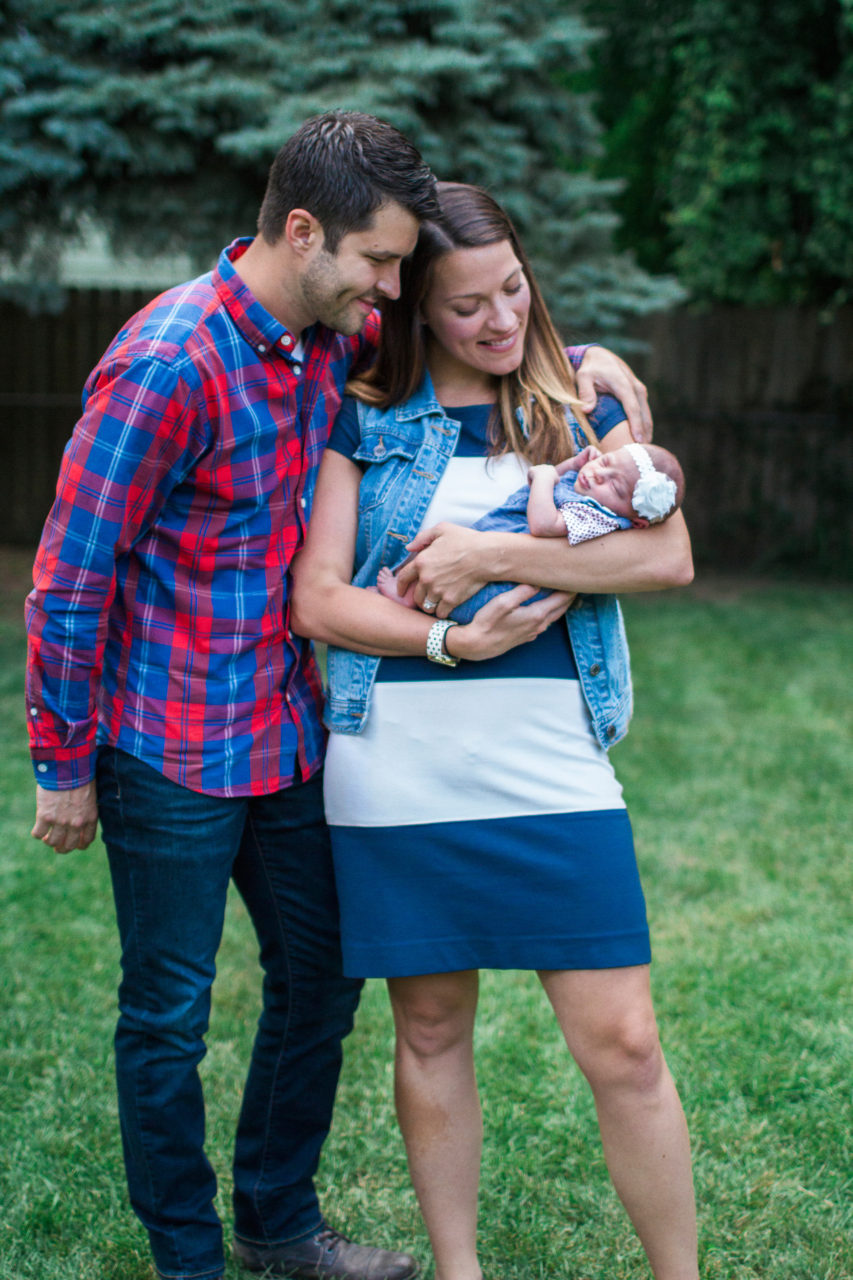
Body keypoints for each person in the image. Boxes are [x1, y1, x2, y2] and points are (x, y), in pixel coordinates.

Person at [24, 111, 652, 1280]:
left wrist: (608, 366)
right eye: (376, 259)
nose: (392, 284)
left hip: (284, 728)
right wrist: (63, 761)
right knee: (167, 1011)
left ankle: (275, 1220)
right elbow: (70, 575)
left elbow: (491, 326)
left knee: (323, 976)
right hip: (167, 742)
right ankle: (188, 1256)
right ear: (303, 232)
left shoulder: (328, 334)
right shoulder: (167, 361)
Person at [290, 181, 698, 1280]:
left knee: (624, 1041)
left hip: (550, 760)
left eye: (513, 288)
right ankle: (460, 1271)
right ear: (418, 310)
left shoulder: (580, 403)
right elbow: (319, 599)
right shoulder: (366, 415)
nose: (501, 319)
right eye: (467, 305)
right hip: (400, 767)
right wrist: (443, 642)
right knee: (429, 1028)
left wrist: (491, 554)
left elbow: (664, 556)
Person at [375, 440, 685, 621]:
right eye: (604, 462)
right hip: (499, 535)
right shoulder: (590, 491)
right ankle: (409, 591)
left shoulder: (599, 517)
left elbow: (544, 525)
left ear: (636, 520)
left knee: (464, 590)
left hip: (504, 586)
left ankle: (410, 602)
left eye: (614, 484)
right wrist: (570, 464)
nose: (597, 474)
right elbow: (559, 478)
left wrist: (545, 477)